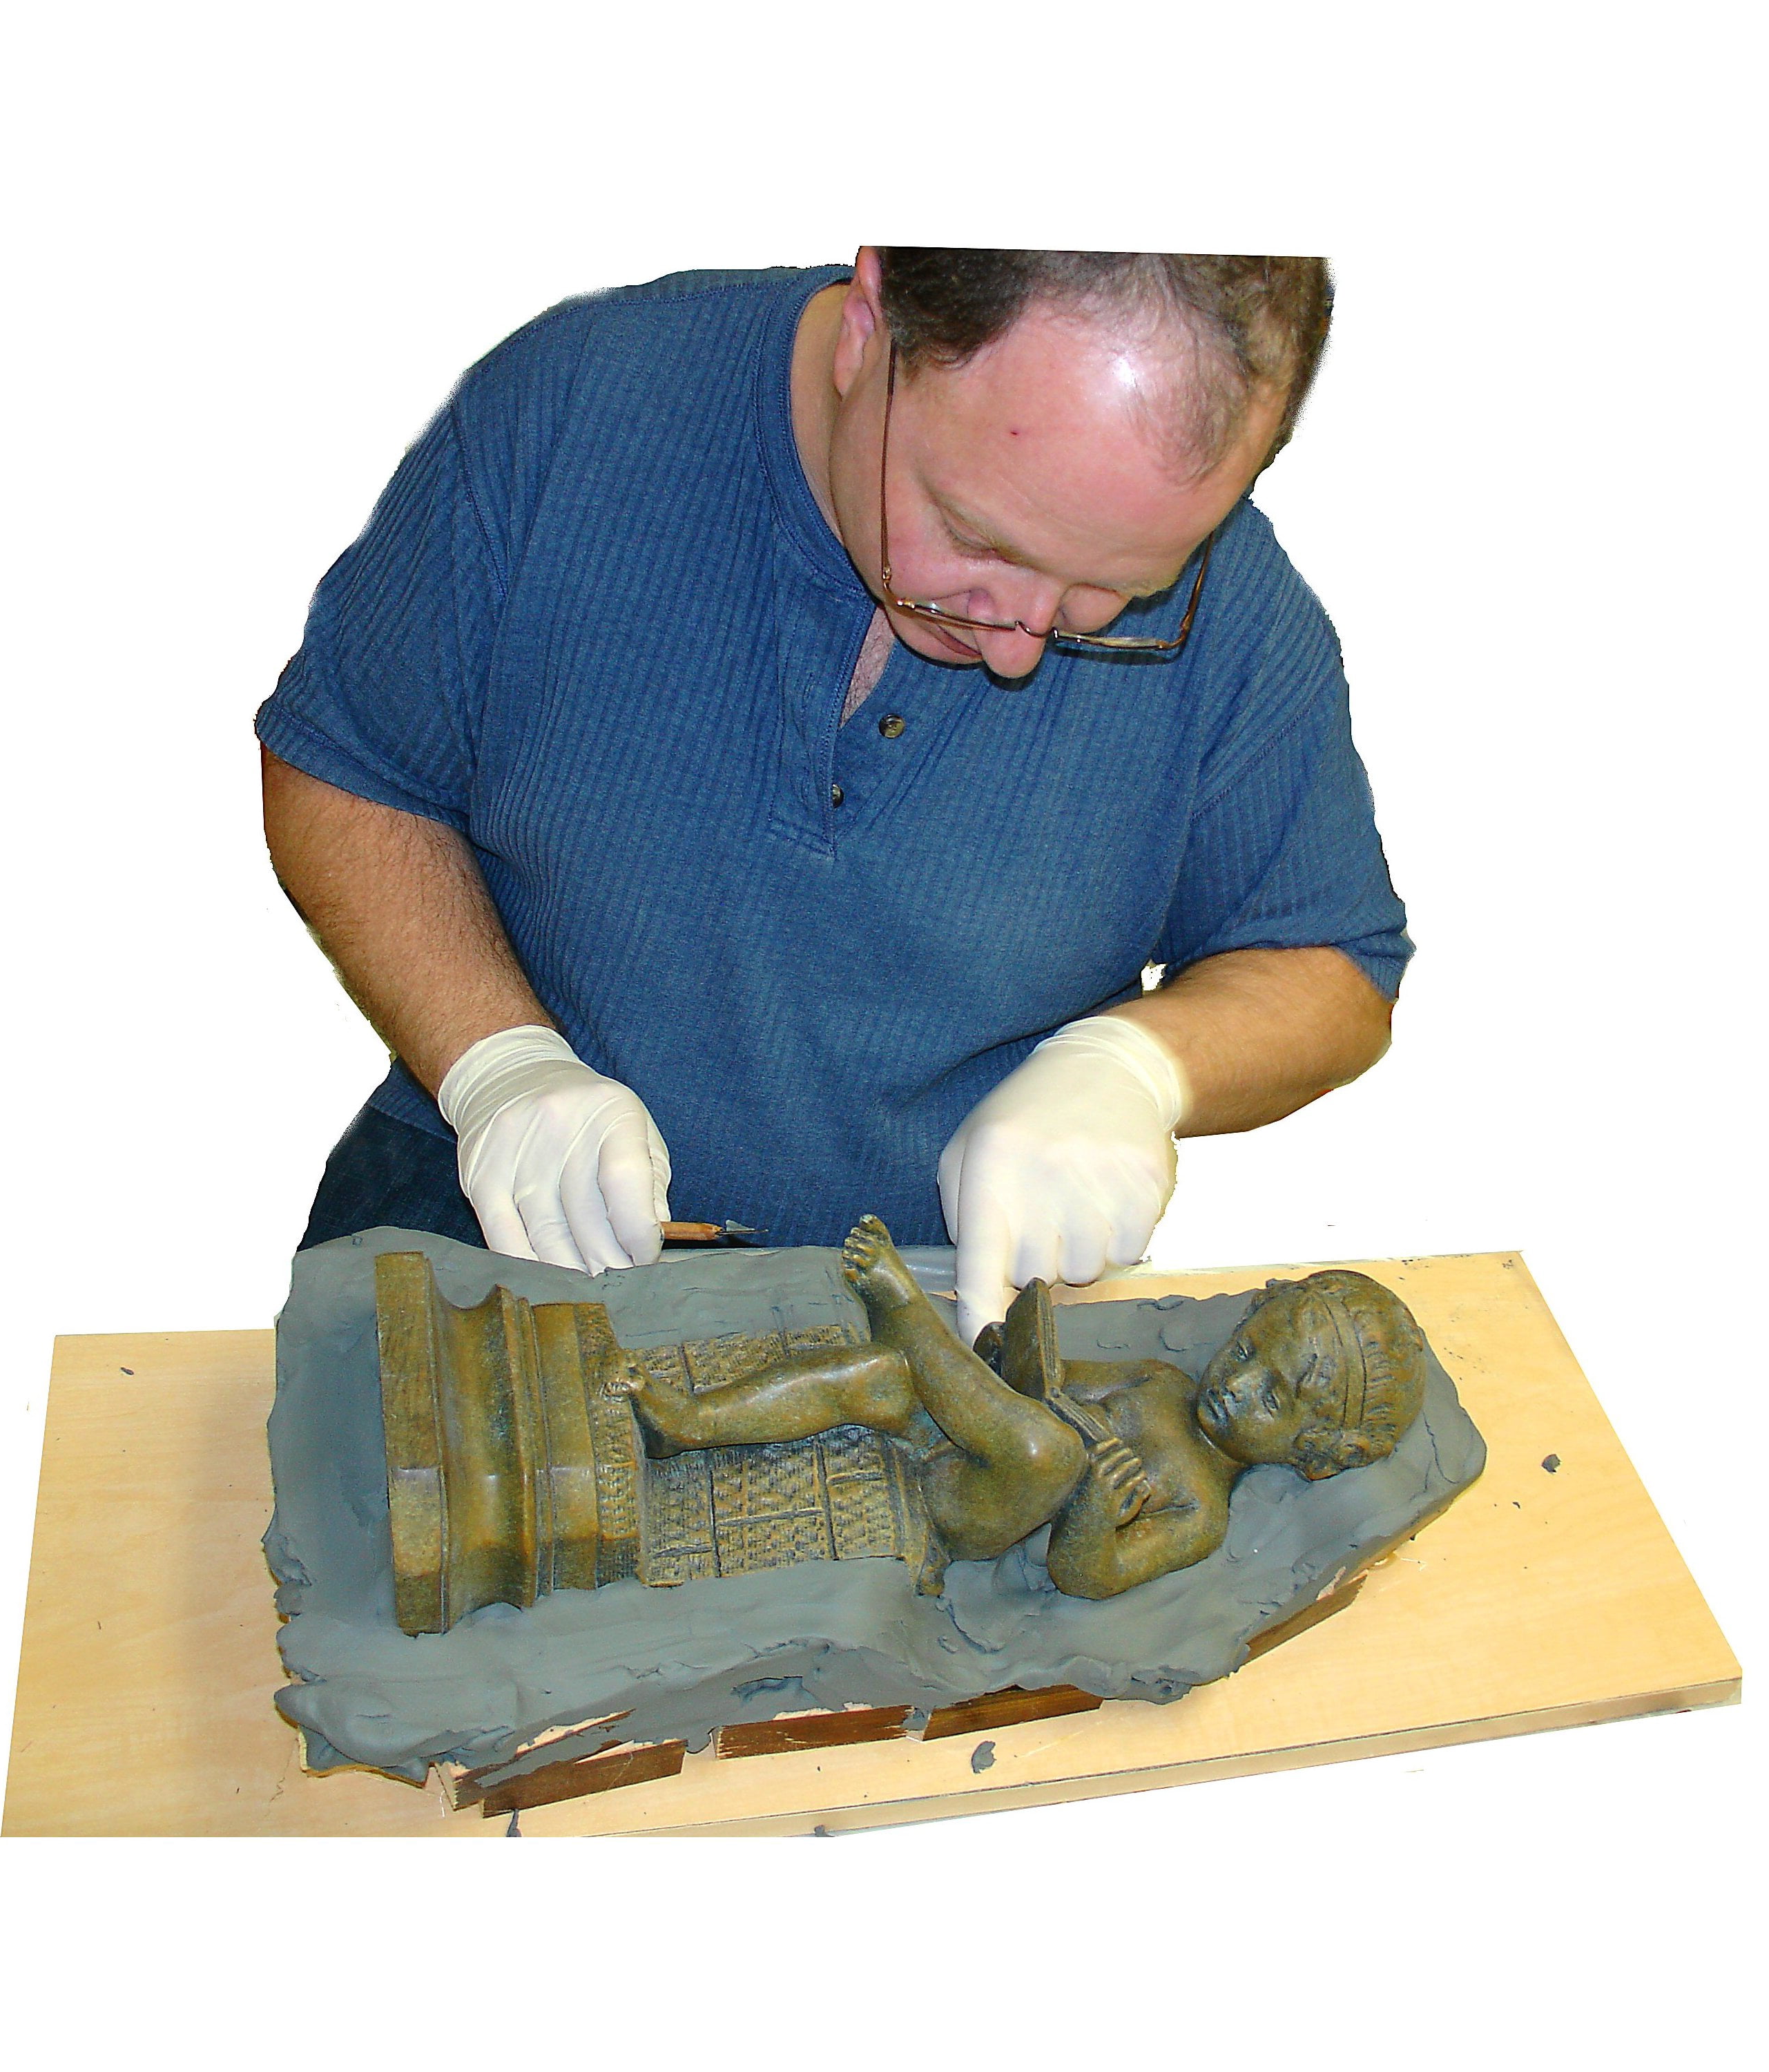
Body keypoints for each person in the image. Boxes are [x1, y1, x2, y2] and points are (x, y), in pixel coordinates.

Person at [259, 249, 1411, 1341]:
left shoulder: (1237, 604)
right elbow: (346, 768)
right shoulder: (573, 414)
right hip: (493, 1231)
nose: (1020, 642)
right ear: (871, 327)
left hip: (940, 1304)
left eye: (1114, 591)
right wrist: (498, 1064)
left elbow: (1329, 967)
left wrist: (1141, 1067)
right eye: (975, 536)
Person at [624, 1214, 1430, 1599]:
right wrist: (1008, 1356)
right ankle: (687, 1424)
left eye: (1274, 1397)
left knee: (1050, 1456)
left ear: (1311, 1452)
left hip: (979, 1504)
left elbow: (1088, 1576)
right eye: (1249, 1352)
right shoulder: (1160, 1382)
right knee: (871, 1374)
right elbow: (1046, 1378)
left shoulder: (1200, 1511)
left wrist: (1096, 1515)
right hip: (963, 1427)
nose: (1237, 1384)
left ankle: (906, 1313)